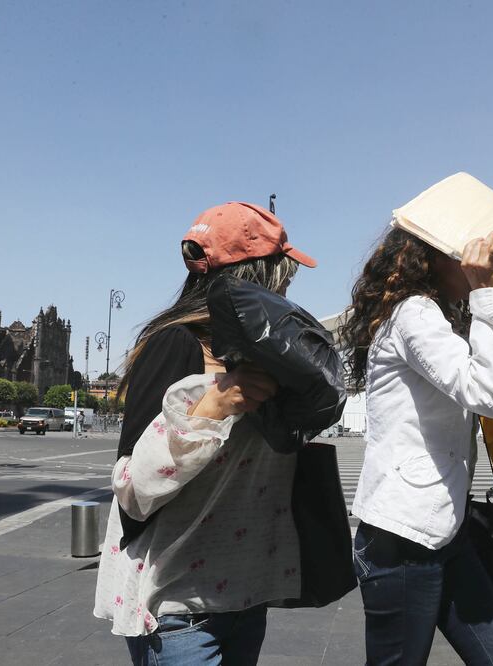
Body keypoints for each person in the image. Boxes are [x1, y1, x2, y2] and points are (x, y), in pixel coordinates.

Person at [94, 202, 317, 665]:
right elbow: (132, 492)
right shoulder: (177, 343)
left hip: (245, 594)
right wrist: (211, 407)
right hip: (179, 608)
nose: (290, 281)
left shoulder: (271, 357)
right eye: (283, 268)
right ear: (260, 273)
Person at [339, 228, 493, 665]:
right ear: (435, 257)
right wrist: (487, 292)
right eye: (470, 254)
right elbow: (491, 393)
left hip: (445, 529)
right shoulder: (413, 313)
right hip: (403, 537)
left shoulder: (439, 317)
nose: (485, 264)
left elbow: (490, 388)